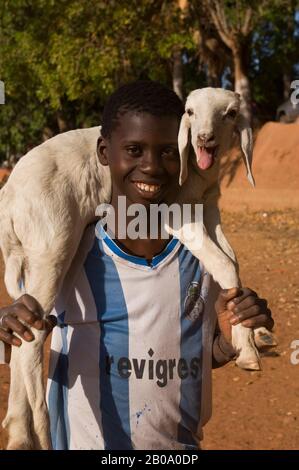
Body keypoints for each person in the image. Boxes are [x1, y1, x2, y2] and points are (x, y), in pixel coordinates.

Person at [0, 80, 274, 450]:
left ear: (184, 148)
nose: (151, 167)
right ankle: (24, 428)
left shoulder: (197, 258)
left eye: (167, 152)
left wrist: (228, 339)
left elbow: (189, 353)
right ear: (103, 151)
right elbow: (29, 320)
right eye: (134, 150)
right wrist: (5, 326)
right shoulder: (78, 259)